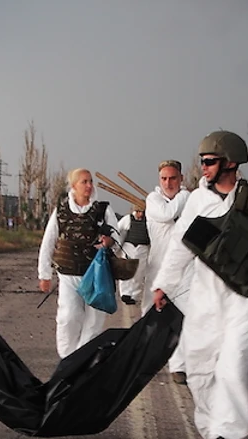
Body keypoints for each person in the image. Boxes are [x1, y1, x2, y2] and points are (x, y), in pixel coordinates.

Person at [152, 131, 248, 439]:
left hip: (245, 296)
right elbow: (180, 246)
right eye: (202, 162)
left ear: (230, 162)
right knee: (198, 365)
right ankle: (209, 426)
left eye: (209, 161)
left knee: (233, 365)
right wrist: (164, 283)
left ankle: (227, 434)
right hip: (204, 294)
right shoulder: (198, 202)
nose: (203, 167)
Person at [38, 168, 123, 358]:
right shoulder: (61, 210)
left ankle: (82, 359)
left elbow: (116, 236)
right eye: (84, 182)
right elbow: (49, 241)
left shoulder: (103, 210)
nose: (89, 185)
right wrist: (44, 275)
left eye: (90, 181)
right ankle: (67, 360)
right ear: (74, 186)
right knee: (68, 318)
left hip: (96, 275)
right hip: (68, 274)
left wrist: (108, 242)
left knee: (93, 322)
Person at [141, 160, 191, 384]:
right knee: (152, 316)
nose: (168, 183)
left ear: (181, 178)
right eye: (164, 179)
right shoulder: (153, 200)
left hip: (184, 269)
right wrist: (185, 195)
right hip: (157, 268)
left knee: (185, 317)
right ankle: (146, 360)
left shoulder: (192, 200)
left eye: (173, 178)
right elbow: (167, 214)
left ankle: (178, 365)